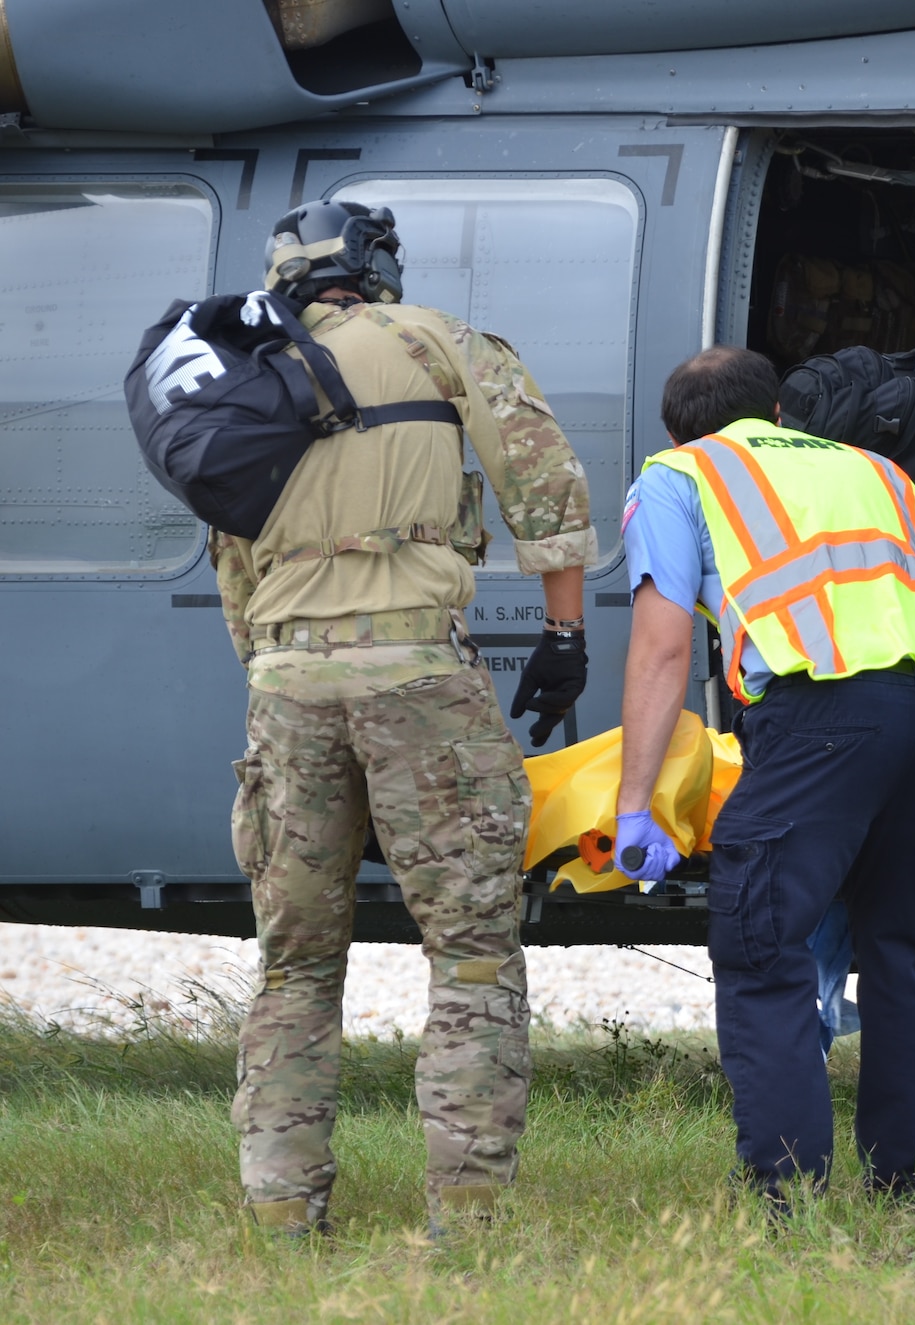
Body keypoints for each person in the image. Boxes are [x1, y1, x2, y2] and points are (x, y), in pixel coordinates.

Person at [215, 201, 595, 1235]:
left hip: (286, 682)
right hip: (419, 672)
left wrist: (282, 664)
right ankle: (465, 1221)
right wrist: (562, 638)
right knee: (470, 944)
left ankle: (281, 1218)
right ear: (375, 267)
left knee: (293, 963)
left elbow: (232, 562)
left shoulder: (252, 378)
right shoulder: (435, 340)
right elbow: (544, 484)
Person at [613, 346, 915, 1206]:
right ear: (778, 411)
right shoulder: (880, 472)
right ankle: (907, 1183)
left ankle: (787, 1195)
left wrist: (637, 804)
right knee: (905, 950)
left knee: (760, 940)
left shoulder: (677, 475)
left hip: (824, 715)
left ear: (677, 430)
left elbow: (664, 645)